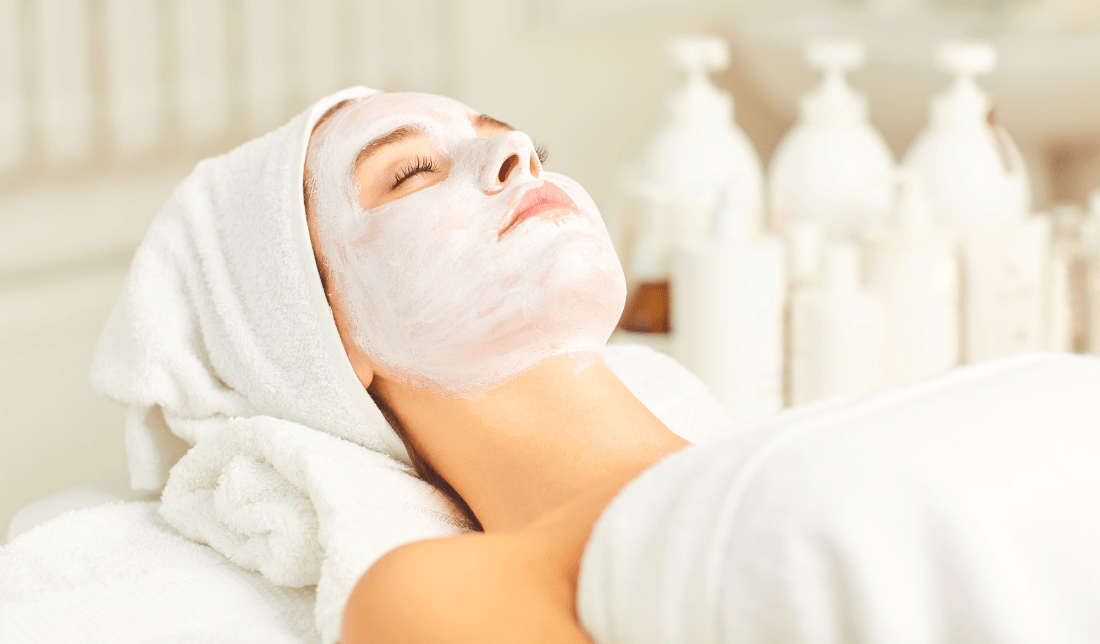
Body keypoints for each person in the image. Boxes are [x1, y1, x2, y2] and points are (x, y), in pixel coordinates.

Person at [302, 91, 686, 643]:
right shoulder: (435, 598)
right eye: (412, 172)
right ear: (328, 336)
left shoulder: (796, 438)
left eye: (531, 147)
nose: (519, 149)